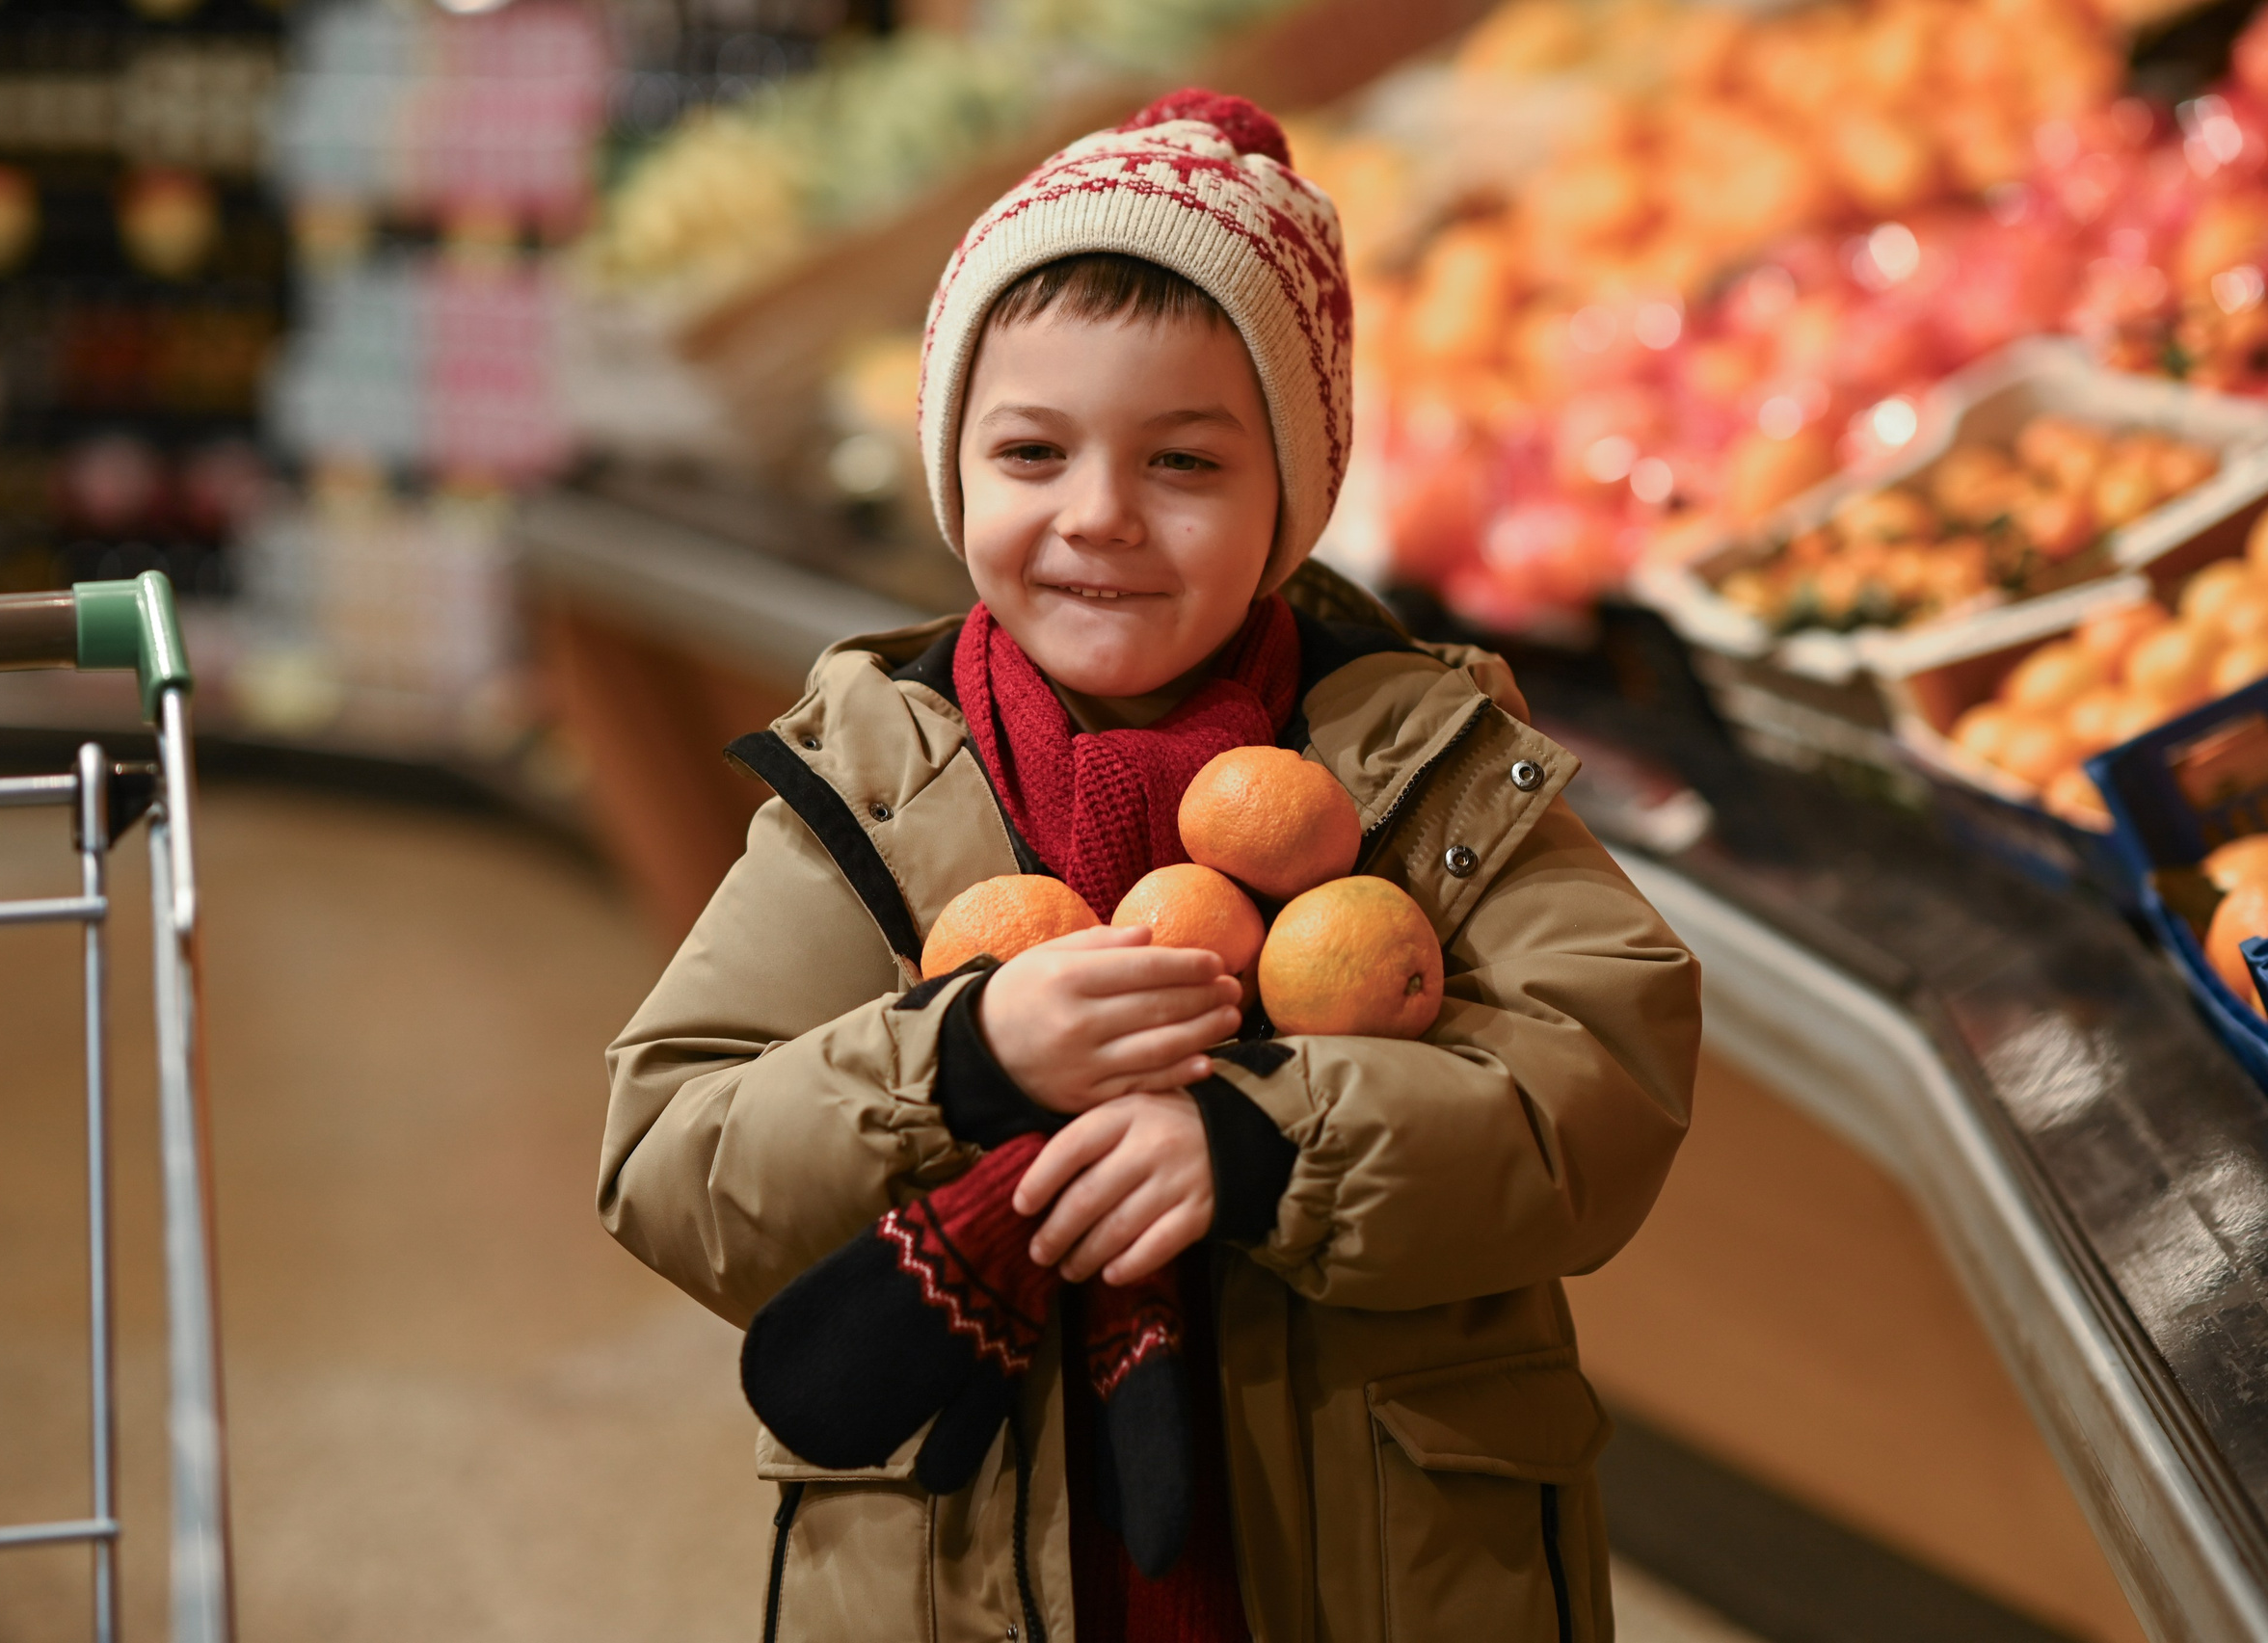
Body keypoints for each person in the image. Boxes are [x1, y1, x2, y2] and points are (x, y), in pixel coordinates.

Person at [598, 89, 1700, 1643]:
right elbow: (670, 1156)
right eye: (1034, 451)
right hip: (965, 1571)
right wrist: (960, 1056)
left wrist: (1263, 1143)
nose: (1099, 517)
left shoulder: (1414, 758)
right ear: (957, 475)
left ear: (1291, 496)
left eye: (1183, 463)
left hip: (1374, 1571)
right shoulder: (874, 786)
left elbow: (1605, 1076)